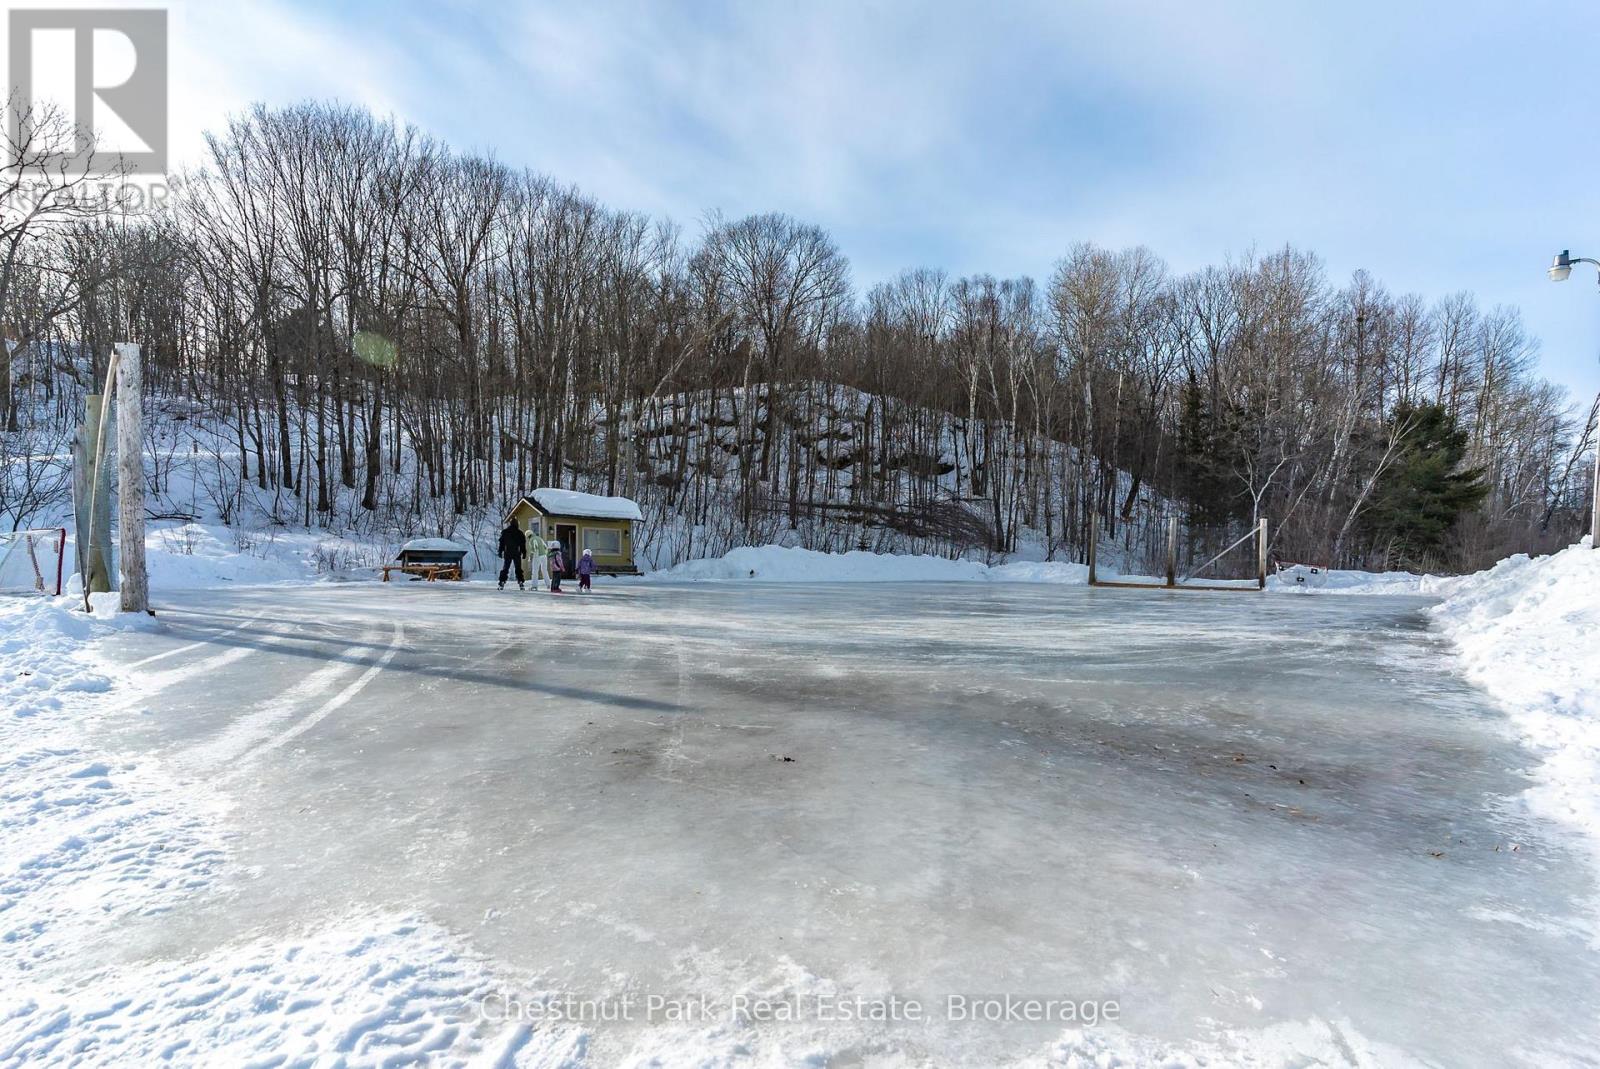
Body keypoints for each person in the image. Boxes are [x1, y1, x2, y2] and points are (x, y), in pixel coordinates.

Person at [497, 520, 527, 590]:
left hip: (508, 552)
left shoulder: (505, 532)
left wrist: (500, 551)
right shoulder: (519, 533)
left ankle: (502, 582)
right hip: (516, 552)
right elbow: (522, 544)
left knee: (506, 568)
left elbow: (502, 543)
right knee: (518, 568)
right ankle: (521, 582)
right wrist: (524, 552)